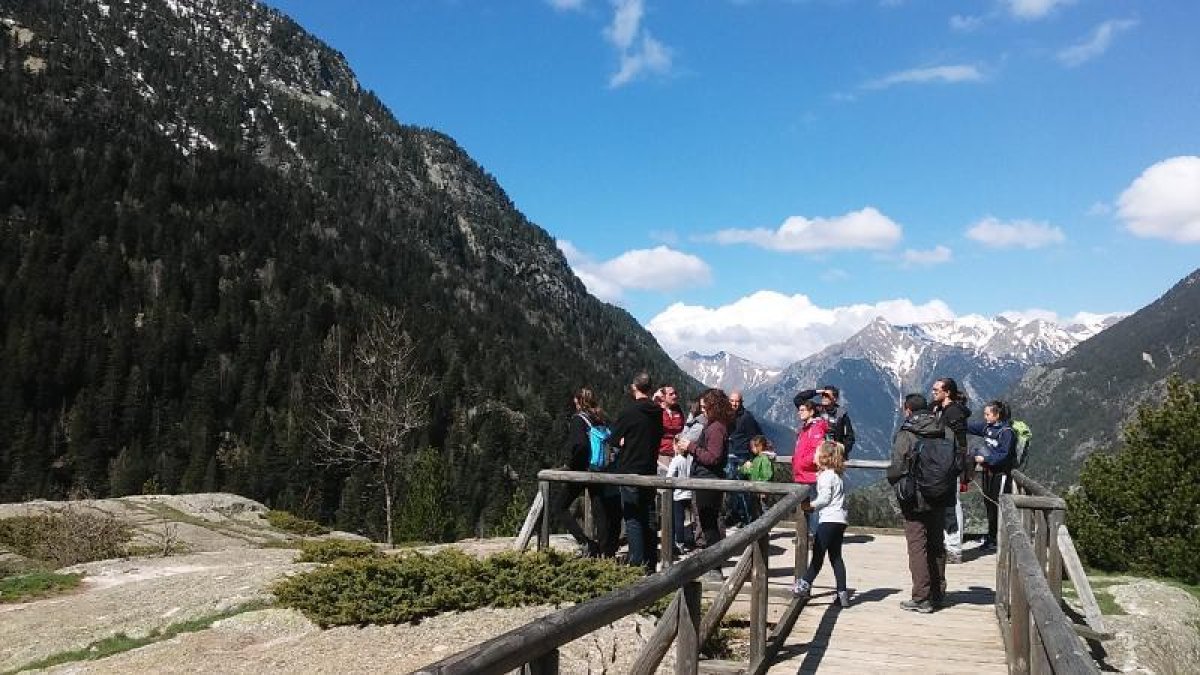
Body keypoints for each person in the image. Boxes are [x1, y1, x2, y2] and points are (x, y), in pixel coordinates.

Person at [887, 393, 953, 613]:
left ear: (907, 409)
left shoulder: (906, 433)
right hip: (941, 495)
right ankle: (938, 592)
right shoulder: (946, 430)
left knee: (917, 546)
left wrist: (896, 484)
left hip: (914, 497)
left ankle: (921, 597)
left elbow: (897, 465)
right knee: (937, 544)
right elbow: (957, 459)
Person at [602, 372, 664, 572]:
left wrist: (623, 441)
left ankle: (636, 564)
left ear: (634, 387)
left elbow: (613, 439)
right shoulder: (657, 412)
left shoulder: (629, 412)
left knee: (632, 518)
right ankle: (650, 563)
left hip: (630, 469)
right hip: (650, 470)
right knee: (648, 515)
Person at [792, 440, 850, 608]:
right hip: (840, 520)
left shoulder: (826, 477)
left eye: (816, 454)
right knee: (836, 557)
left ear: (824, 458)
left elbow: (825, 499)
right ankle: (842, 593)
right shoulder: (838, 476)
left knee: (818, 556)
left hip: (828, 520)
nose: (814, 457)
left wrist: (811, 506)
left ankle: (803, 584)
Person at [553, 388, 607, 557]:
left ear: (578, 402)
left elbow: (581, 445)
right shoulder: (598, 418)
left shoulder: (579, 419)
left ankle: (585, 542)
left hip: (581, 470)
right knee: (599, 510)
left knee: (559, 507)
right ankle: (605, 550)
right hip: (598, 469)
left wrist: (572, 464)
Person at [678, 388, 734, 551]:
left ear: (713, 406)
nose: (702, 410)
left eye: (705, 407)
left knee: (709, 526)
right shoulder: (717, 425)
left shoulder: (716, 427)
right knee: (709, 523)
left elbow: (713, 457)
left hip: (708, 479)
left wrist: (691, 447)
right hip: (707, 478)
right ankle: (714, 564)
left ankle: (714, 566)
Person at [968, 400, 1017, 553]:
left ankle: (998, 540)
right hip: (989, 473)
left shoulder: (1007, 432)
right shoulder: (988, 427)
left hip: (1000, 474)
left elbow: (1004, 454)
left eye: (987, 414)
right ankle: (992, 536)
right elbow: (969, 427)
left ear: (997, 415)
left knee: (997, 506)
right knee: (989, 505)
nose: (985, 417)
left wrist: (986, 459)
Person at [931, 377, 971, 565]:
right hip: (940, 463)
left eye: (937, 389)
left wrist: (958, 466)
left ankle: (954, 549)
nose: (933, 392)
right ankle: (946, 545)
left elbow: (960, 442)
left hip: (950, 465)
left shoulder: (953, 412)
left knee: (951, 505)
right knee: (944, 504)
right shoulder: (938, 409)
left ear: (947, 392)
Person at [725, 391, 763, 528]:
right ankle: (735, 517)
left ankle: (747, 520)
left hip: (742, 457)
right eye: (732, 401)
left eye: (737, 401)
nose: (734, 404)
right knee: (730, 491)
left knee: (742, 491)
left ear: (741, 402)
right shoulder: (726, 416)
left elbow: (757, 437)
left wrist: (752, 458)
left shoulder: (747, 418)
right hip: (728, 456)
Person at [794, 386, 855, 457]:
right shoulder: (817, 409)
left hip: (833, 455)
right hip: (816, 454)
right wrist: (817, 392)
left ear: (834, 399)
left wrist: (840, 453)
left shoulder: (841, 414)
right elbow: (798, 399)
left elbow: (850, 437)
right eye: (822, 395)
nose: (823, 397)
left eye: (827, 395)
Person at [665, 436, 695, 555]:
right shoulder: (691, 459)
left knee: (678, 519)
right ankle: (690, 539)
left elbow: (670, 475)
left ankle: (679, 543)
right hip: (689, 492)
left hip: (678, 494)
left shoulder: (676, 460)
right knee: (690, 519)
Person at [738, 435, 775, 521]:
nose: (751, 449)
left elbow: (767, 475)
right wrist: (743, 468)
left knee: (764, 510)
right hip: (756, 490)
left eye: (753, 447)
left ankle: (765, 528)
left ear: (759, 446)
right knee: (758, 510)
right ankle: (762, 529)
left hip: (762, 490)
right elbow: (752, 471)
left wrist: (763, 488)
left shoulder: (764, 459)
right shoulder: (758, 459)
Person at [656, 386, 685, 472]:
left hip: (677, 453)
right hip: (662, 454)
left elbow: (682, 428)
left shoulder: (678, 410)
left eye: (675, 393)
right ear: (663, 397)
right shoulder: (657, 410)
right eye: (671, 394)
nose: (675, 396)